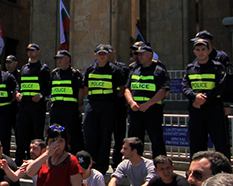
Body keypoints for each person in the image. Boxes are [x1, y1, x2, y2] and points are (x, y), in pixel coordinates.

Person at [184, 38, 233, 157]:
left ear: (208, 51)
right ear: (194, 52)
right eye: (198, 50)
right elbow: (185, 87)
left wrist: (203, 98)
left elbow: (221, 86)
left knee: (221, 143)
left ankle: (224, 168)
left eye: (203, 49)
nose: (201, 52)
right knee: (196, 144)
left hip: (214, 109)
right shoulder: (190, 69)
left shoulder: (218, 67)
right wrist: (195, 96)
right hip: (196, 110)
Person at [83, 44, 127, 174]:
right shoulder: (90, 69)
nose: (102, 56)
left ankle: (102, 166)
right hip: (93, 105)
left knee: (105, 136)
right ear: (95, 55)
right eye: (100, 54)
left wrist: (112, 98)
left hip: (108, 106)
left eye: (104, 54)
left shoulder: (115, 70)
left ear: (108, 55)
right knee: (90, 135)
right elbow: (86, 88)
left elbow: (121, 89)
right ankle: (90, 164)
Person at [124, 43, 170, 159]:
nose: (140, 57)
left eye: (142, 54)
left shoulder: (159, 70)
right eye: (138, 54)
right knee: (134, 141)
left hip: (152, 110)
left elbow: (163, 91)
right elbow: (127, 89)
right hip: (135, 111)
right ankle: (133, 164)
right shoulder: (134, 70)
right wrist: (131, 103)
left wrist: (148, 104)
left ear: (150, 55)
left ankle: (159, 165)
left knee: (156, 139)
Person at [12, 44, 49, 162]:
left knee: (36, 133)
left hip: (37, 106)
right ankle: (20, 159)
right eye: (29, 50)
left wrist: (41, 95)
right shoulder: (24, 68)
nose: (30, 52)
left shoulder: (43, 68)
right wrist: (17, 93)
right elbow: (19, 84)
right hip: (24, 105)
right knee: (21, 132)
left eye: (33, 50)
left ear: (38, 52)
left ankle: (36, 158)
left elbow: (48, 86)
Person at [49, 49, 86, 153]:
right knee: (55, 132)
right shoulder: (54, 73)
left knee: (70, 134)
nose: (59, 61)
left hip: (70, 109)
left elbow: (81, 90)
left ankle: (70, 155)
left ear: (68, 59)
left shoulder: (75, 74)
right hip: (56, 109)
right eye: (57, 59)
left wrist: (79, 105)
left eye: (61, 58)